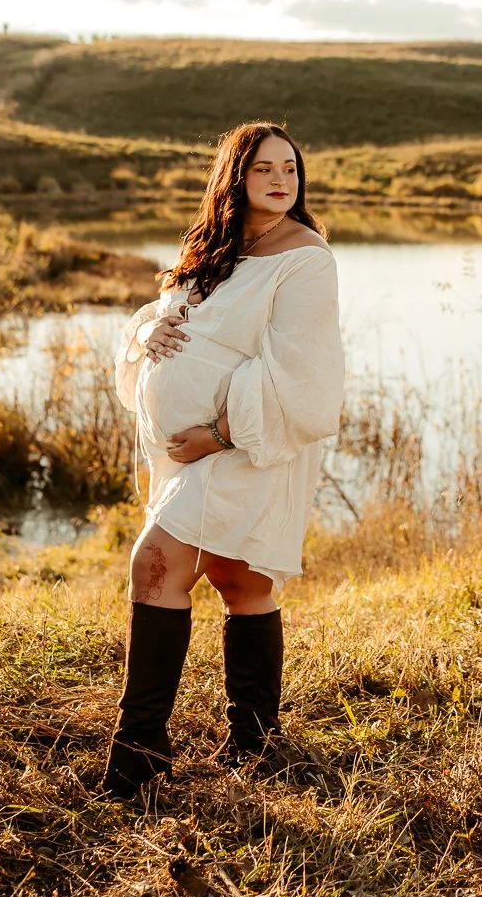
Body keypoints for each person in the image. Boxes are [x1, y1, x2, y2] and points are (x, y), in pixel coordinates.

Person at [102, 120, 345, 799]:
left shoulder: (306, 257)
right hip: (186, 455)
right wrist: (154, 330)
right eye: (264, 167)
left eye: (289, 169)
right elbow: (163, 312)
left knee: (155, 563)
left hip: (243, 445)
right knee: (240, 581)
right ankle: (256, 741)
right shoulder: (210, 245)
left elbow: (303, 372)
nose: (279, 179)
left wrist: (213, 431)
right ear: (235, 175)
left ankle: (138, 753)